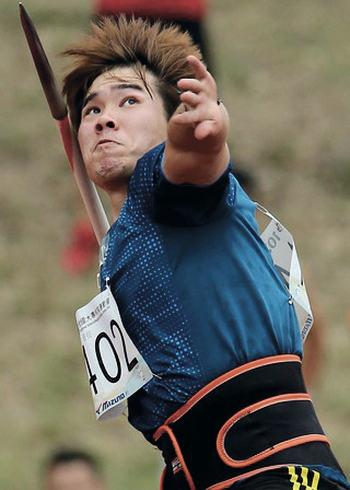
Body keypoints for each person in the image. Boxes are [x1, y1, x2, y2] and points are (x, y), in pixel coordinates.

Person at [61, 16, 349, 489]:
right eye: (90, 111)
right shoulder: (124, 240)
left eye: (129, 100)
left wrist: (205, 134)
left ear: (173, 118)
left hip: (270, 476)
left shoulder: (165, 185)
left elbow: (194, 161)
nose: (104, 117)